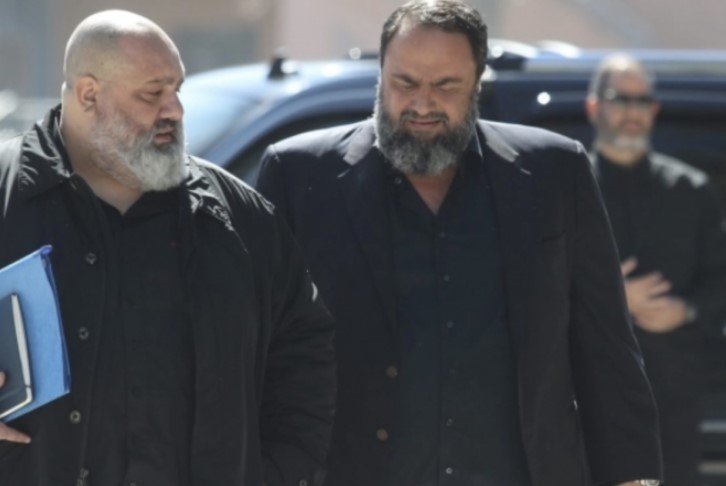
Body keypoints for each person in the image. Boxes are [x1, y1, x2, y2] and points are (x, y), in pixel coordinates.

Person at [255, 1, 662, 485]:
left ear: (478, 85)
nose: (422, 103)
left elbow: (606, 347)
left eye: (446, 85)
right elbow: (259, 352)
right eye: (405, 83)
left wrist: (634, 477)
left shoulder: (554, 173)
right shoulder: (300, 176)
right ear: (380, 77)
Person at [0, 10, 335, 486]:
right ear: (89, 94)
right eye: (152, 94)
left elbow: (304, 353)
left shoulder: (237, 217)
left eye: (176, 89)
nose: (174, 109)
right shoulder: (7, 195)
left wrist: (277, 472)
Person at [585, 54, 726, 485]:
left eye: (642, 100)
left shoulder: (691, 191)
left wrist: (685, 310)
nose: (633, 111)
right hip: (587, 398)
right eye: (620, 99)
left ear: (655, 109)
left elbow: (720, 281)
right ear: (594, 107)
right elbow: (537, 281)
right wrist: (615, 296)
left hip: (673, 401)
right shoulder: (568, 187)